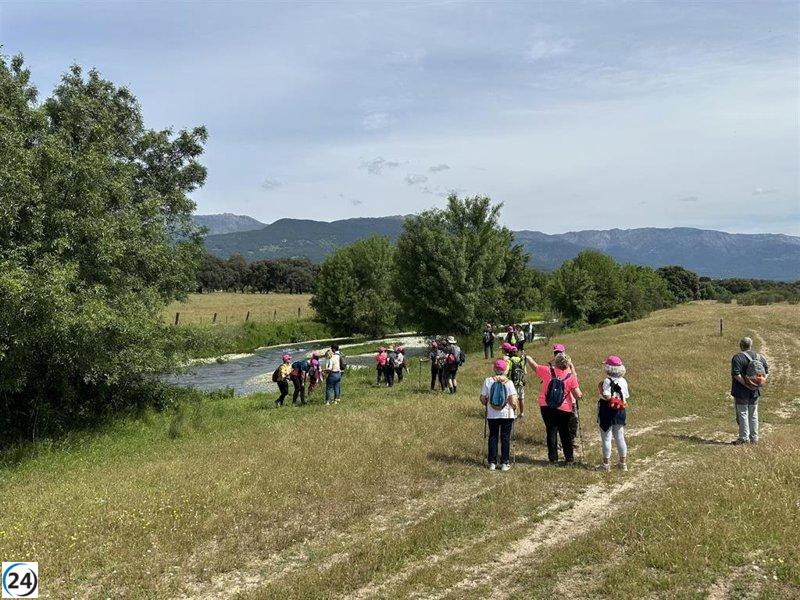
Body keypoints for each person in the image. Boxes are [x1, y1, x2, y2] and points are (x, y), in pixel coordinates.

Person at [527, 351, 580, 464]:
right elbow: (577, 395)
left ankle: (553, 459)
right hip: (564, 408)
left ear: (555, 362)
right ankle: (569, 459)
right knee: (564, 432)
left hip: (546, 405)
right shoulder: (571, 376)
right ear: (568, 364)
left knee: (551, 430)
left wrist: (528, 358)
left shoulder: (547, 371)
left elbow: (534, 366)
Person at [480, 358, 519, 471]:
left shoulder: (488, 381)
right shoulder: (509, 382)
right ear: (506, 370)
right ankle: (504, 463)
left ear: (494, 369)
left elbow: (483, 398)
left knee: (493, 436)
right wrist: (515, 408)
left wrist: (487, 403)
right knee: (505, 438)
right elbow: (512, 400)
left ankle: (492, 462)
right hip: (506, 414)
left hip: (492, 414)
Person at [730, 336, 769, 444]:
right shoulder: (760, 357)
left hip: (741, 391)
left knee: (743, 413)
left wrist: (747, 384)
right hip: (755, 391)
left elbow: (736, 374)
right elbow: (766, 373)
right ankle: (754, 438)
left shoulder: (737, 357)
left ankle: (743, 438)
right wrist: (757, 384)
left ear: (741, 345)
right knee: (753, 414)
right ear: (751, 345)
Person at [597, 355, 630, 471]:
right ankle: (623, 463)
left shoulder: (607, 381)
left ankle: (606, 465)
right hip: (620, 410)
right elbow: (626, 396)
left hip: (607, 410)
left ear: (608, 367)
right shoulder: (623, 381)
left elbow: (607, 396)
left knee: (606, 438)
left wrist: (600, 389)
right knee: (620, 437)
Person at [553, 343, 582, 451]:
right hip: (556, 399)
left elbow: (575, 379)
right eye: (555, 352)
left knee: (573, 420)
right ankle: (557, 443)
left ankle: (572, 440)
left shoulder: (570, 365)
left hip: (570, 398)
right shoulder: (552, 366)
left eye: (559, 352)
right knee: (556, 423)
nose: (557, 354)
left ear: (564, 352)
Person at [506, 344, 526, 419]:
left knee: (513, 398)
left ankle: (514, 413)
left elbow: (507, 372)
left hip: (512, 382)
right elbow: (525, 372)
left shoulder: (509, 361)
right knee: (521, 398)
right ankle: (522, 413)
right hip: (520, 382)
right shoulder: (521, 360)